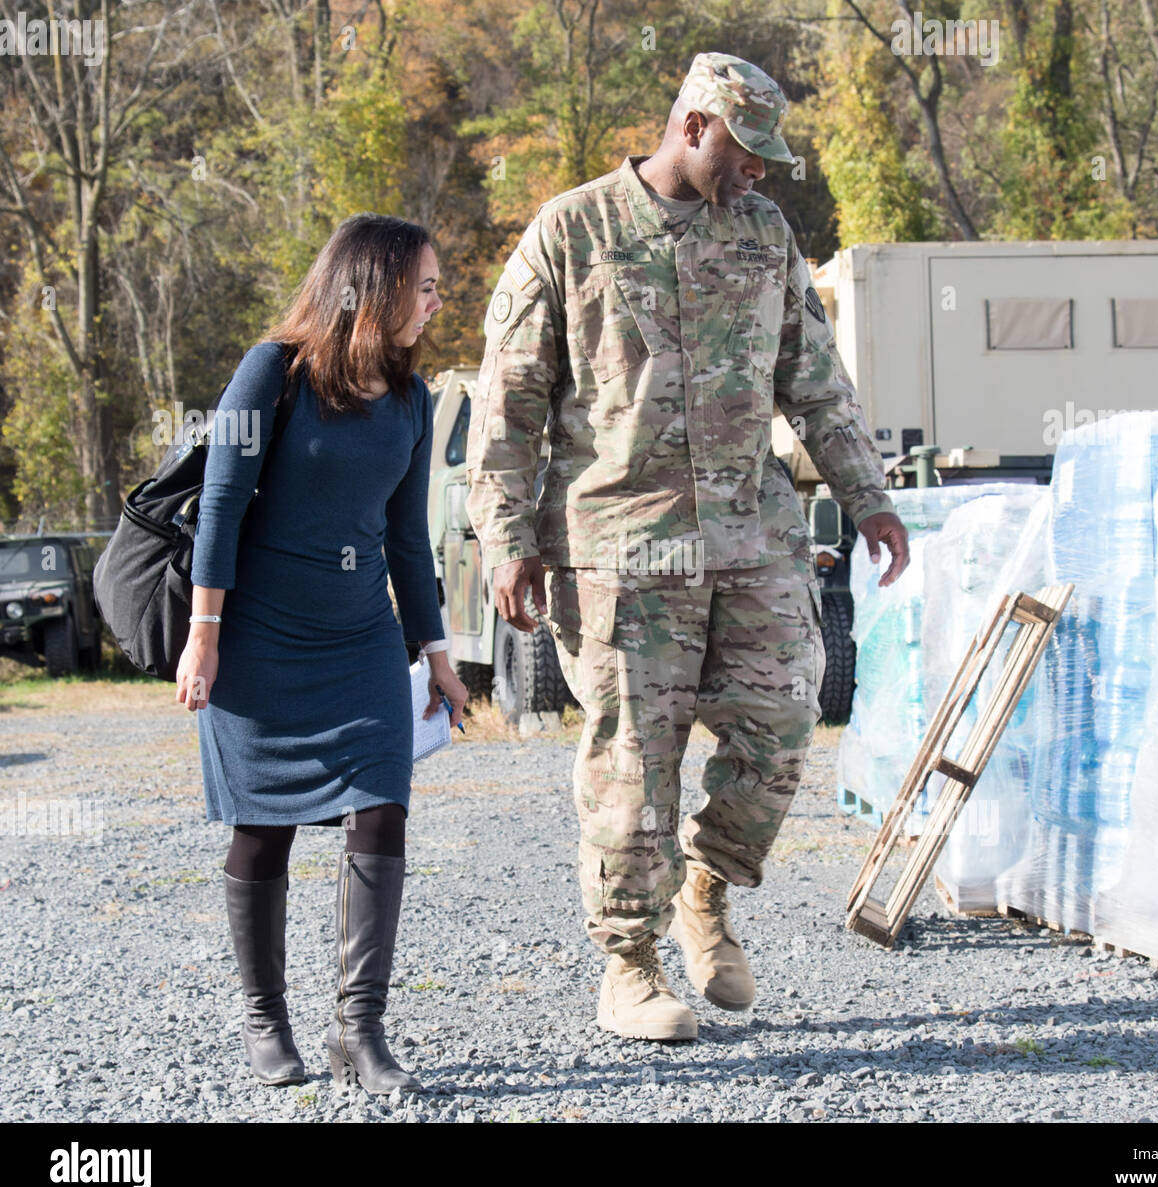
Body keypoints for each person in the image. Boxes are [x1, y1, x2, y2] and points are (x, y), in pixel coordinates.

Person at [466, 52, 910, 1041]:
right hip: (620, 550)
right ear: (695, 126)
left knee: (784, 724)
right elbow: (510, 404)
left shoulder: (763, 233)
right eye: (747, 153)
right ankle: (629, 964)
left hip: (753, 540)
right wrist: (505, 537)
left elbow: (815, 380)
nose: (759, 174)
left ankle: (706, 890)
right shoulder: (570, 231)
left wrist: (867, 496)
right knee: (636, 762)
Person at [175, 212, 468, 1094]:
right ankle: (267, 1024)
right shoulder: (273, 372)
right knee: (260, 830)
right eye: (424, 286)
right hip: (259, 642)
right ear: (373, 287)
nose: (435, 302)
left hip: (360, 644)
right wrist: (204, 634)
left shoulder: (414, 401)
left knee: (381, 811)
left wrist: (439, 655)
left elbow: (407, 543)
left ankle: (360, 1033)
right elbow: (221, 506)